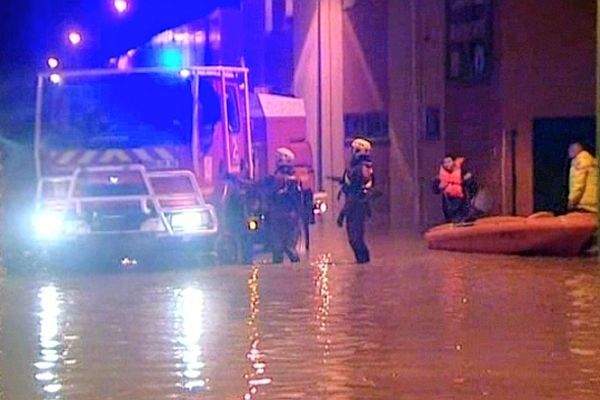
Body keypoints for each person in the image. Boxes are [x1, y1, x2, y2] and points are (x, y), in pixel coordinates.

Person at [337, 137, 376, 264]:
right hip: (360, 206)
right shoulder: (365, 169)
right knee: (356, 238)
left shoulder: (358, 170)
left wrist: (342, 214)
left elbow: (353, 193)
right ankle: (364, 265)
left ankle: (364, 264)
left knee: (355, 239)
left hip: (355, 207)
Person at [264, 147, 303, 264]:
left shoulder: (282, 178)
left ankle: (284, 276)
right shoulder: (293, 178)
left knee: (282, 249)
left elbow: (269, 193)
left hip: (282, 218)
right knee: (286, 248)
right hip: (287, 218)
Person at [436, 155, 474, 223]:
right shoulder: (439, 177)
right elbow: (435, 189)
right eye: (445, 162)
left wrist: (466, 180)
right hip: (449, 205)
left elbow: (472, 186)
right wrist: (439, 187)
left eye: (449, 161)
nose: (447, 164)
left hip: (463, 203)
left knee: (465, 219)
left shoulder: (462, 172)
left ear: (453, 162)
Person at [567, 142, 598, 213]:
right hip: (594, 205)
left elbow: (578, 184)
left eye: (570, 148)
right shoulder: (592, 161)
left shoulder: (580, 161)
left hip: (586, 205)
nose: (568, 151)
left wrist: (572, 200)